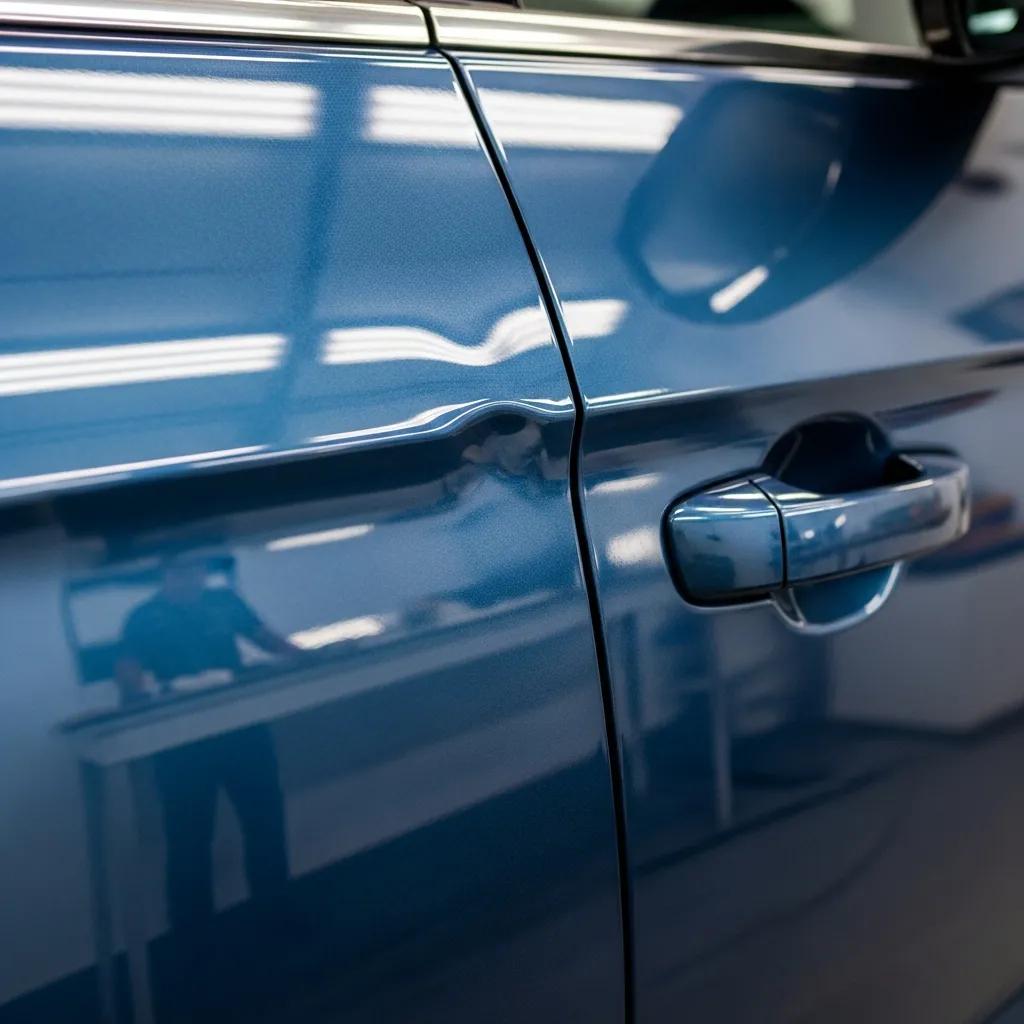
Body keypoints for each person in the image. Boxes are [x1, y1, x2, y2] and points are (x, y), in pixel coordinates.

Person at [115, 552, 299, 936]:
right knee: (188, 840)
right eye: (182, 568)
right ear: (164, 571)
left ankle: (277, 917)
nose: (191, 575)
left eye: (196, 567)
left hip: (240, 725)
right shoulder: (145, 616)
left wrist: (306, 658)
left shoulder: (225, 601)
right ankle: (192, 936)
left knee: (265, 822)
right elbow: (129, 670)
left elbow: (267, 638)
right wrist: (137, 694)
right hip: (180, 740)